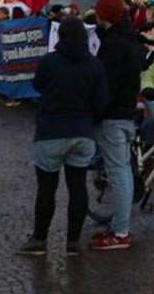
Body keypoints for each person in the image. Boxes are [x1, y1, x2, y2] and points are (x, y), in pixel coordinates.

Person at [18, 17, 109, 256]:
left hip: (50, 130)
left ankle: (39, 239)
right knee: (78, 187)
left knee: (46, 189)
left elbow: (37, 85)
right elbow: (101, 102)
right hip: (81, 131)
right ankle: (73, 242)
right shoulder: (94, 64)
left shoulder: (49, 61)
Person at [90, 0, 143, 251]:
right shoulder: (130, 39)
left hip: (113, 115)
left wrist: (97, 111)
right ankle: (120, 226)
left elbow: (105, 85)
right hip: (126, 111)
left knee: (118, 172)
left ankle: (120, 231)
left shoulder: (113, 45)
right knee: (123, 171)